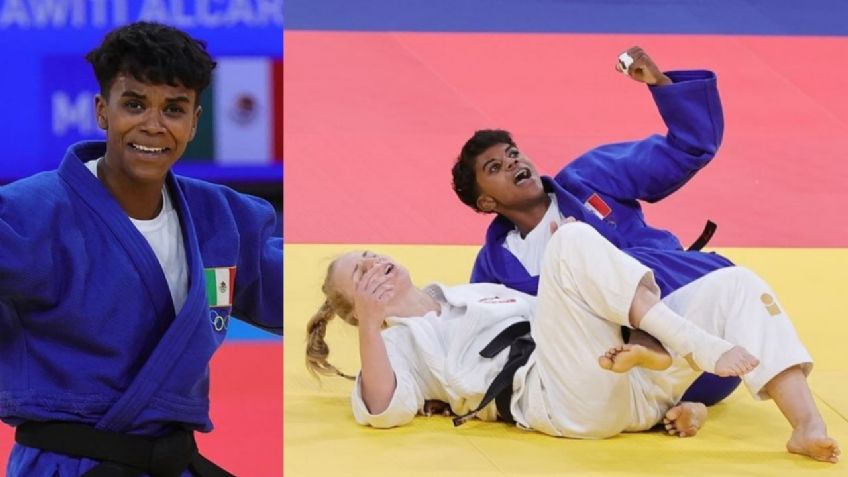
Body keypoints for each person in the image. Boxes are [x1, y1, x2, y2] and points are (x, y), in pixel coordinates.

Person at [306, 222, 840, 464]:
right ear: (355, 310)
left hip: (620, 378)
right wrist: (372, 327)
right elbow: (383, 410)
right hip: (558, 399)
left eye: (370, 254)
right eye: (360, 273)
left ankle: (806, 426)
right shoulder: (399, 345)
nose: (374, 263)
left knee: (735, 285)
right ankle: (688, 344)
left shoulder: (469, 291)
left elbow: (574, 315)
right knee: (569, 241)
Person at [0, 22, 282, 476]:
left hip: (171, 461)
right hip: (63, 465)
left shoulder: (220, 219)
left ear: (194, 122)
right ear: (102, 111)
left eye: (173, 109)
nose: (153, 125)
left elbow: (306, 285)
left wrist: (355, 277)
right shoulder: (29, 213)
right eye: (134, 104)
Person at [451, 47, 739, 406]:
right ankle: (677, 403)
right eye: (494, 168)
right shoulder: (494, 267)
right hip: (615, 375)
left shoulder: (589, 178)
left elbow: (689, 148)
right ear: (486, 203)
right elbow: (479, 335)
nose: (511, 163)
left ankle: (657, 355)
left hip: (697, 331)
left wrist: (662, 84)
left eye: (512, 153)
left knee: (614, 266)